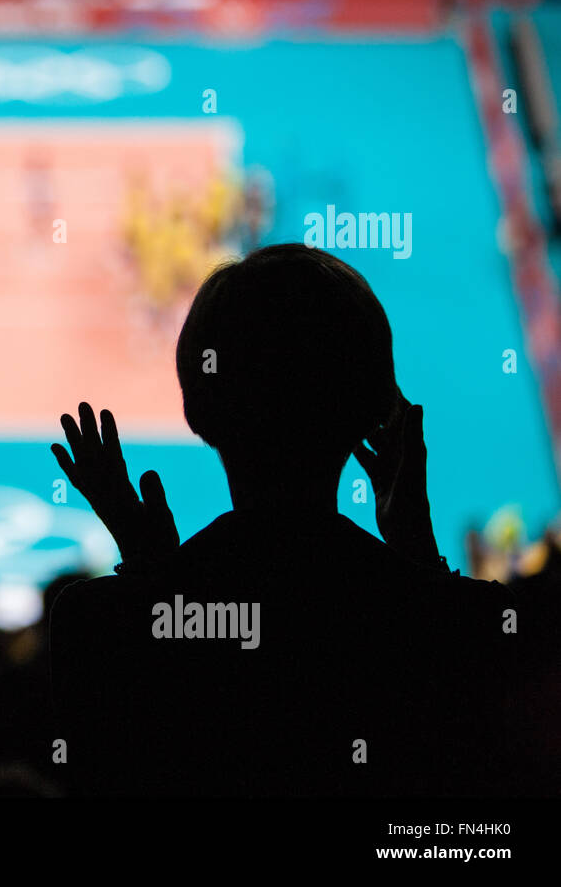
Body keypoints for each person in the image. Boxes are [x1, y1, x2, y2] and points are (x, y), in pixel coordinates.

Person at [50, 243, 516, 796]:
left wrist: (153, 573)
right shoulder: (478, 630)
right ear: (375, 409)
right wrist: (417, 550)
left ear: (199, 408)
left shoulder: (95, 626)